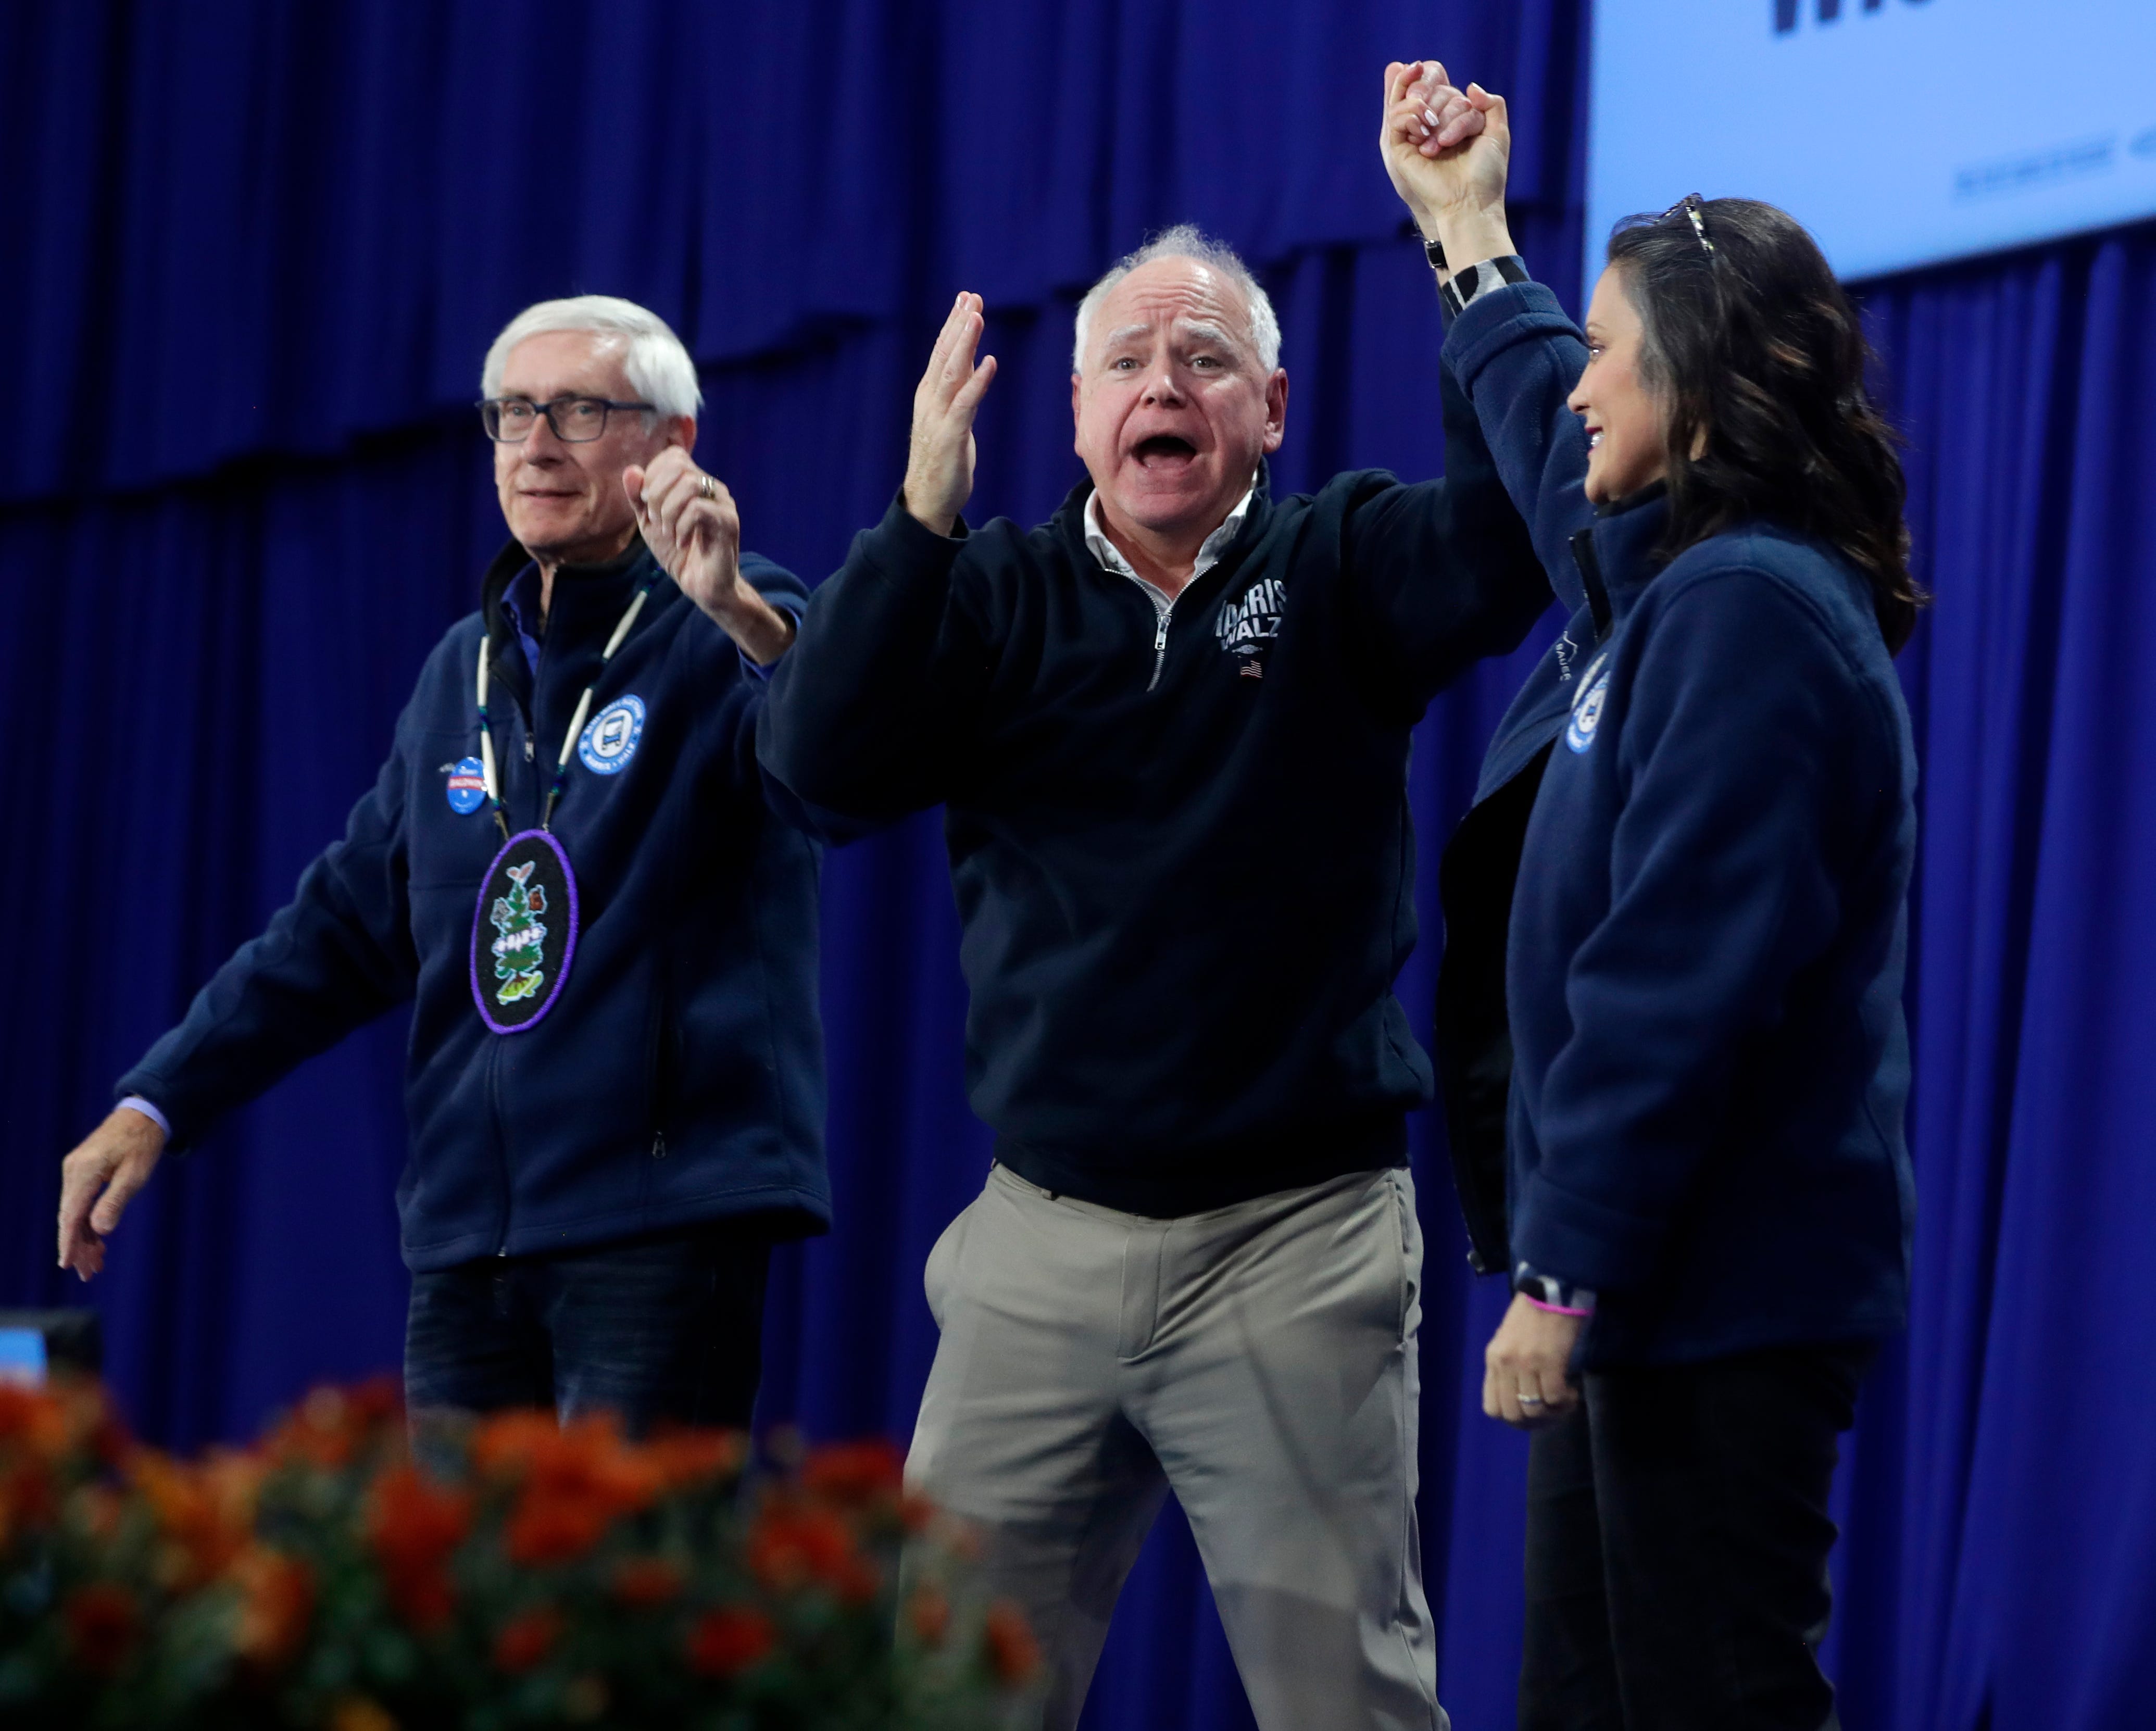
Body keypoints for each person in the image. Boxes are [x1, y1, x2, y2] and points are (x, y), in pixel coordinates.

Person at [701, 62, 1548, 1730]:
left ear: (1272, 410)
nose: (1164, 382)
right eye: (1127, 361)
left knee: (1348, 1703)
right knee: (938, 1697)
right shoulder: (992, 593)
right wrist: (917, 520)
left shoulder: (1337, 560)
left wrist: (1466, 236)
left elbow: (1511, 547)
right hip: (1043, 1240)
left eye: (1205, 356)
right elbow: (817, 772)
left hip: (1294, 1237)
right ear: (1076, 414)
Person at [56, 295, 829, 1436]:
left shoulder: (732, 622)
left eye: (579, 409)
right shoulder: (463, 670)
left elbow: (834, 768)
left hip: (657, 1223)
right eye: (513, 412)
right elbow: (340, 926)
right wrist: (159, 1098)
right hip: (472, 1243)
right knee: (464, 1611)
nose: (535, 444)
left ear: (671, 446)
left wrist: (742, 615)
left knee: (626, 1608)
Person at [1402, 75, 1922, 1730]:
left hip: (1710, 1288)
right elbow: (1562, 464)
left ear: (1696, 387)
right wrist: (1471, 243)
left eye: (1615, 351)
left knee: (1705, 1702)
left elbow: (1676, 978)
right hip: (1656, 1286)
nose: (1582, 393)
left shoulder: (1748, 612)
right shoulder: (1685, 592)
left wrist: (1559, 1277)